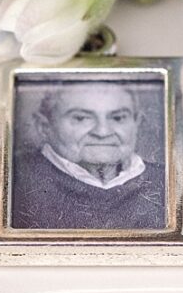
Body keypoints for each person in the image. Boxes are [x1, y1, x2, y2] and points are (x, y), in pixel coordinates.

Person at [9, 80, 166, 231]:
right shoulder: (13, 181)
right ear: (44, 126)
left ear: (136, 123)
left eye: (118, 118)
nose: (102, 132)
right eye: (81, 118)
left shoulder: (166, 179)